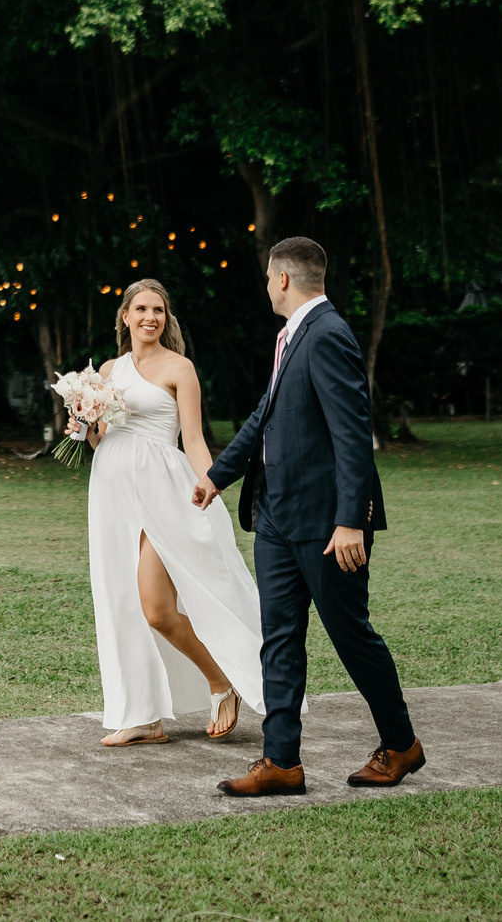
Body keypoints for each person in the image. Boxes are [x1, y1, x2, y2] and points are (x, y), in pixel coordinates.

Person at [191, 236, 424, 795]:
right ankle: (282, 762)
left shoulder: (327, 335)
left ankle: (401, 745)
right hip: (274, 513)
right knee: (279, 638)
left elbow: (352, 436)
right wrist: (216, 476)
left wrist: (351, 520)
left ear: (283, 280)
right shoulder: (289, 336)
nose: (266, 286)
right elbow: (265, 416)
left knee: (351, 636)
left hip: (325, 524)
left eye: (268, 278)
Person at [85, 279, 265, 746]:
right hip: (111, 491)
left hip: (163, 491)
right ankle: (143, 717)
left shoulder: (179, 367)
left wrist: (211, 483)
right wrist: (84, 424)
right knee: (120, 602)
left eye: (159, 310)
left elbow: (195, 439)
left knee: (157, 609)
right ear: (125, 316)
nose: (150, 317)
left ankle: (221, 679)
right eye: (141, 309)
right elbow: (101, 438)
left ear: (166, 319)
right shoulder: (108, 369)